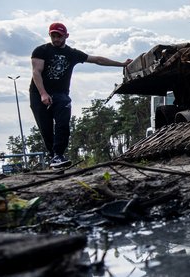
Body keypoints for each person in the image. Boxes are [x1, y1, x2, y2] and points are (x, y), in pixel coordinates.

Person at [29, 22, 132, 169]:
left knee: (63, 124)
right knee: (45, 128)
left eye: (59, 36)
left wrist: (122, 64)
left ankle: (58, 154)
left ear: (66, 36)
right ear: (50, 35)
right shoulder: (41, 51)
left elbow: (97, 60)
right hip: (38, 93)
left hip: (61, 94)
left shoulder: (72, 53)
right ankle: (53, 157)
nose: (56, 39)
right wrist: (43, 93)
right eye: (53, 36)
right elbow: (36, 72)